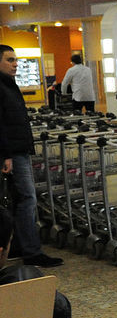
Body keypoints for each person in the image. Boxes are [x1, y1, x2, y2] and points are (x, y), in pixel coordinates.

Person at [0, 45, 63, 268]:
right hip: (12, 152)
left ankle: (18, 244)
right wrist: (5, 155)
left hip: (18, 149)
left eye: (15, 59)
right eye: (10, 60)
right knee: (28, 199)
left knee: (18, 199)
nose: (15, 64)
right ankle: (32, 251)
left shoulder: (9, 85)